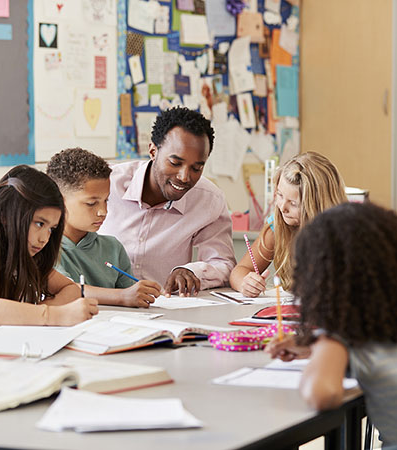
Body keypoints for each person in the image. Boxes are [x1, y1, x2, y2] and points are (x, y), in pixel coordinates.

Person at [266, 202, 397, 448]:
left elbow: (322, 394)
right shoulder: (383, 317)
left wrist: (327, 343)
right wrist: (315, 346)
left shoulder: (340, 332)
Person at [98, 106, 236, 296]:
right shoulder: (106, 184)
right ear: (153, 151)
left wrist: (191, 271)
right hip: (102, 306)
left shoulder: (208, 200)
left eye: (197, 168)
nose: (185, 177)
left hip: (164, 311)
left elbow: (223, 264)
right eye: (175, 163)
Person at [0, 165, 98, 334]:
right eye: (39, 223)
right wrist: (53, 315)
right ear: (4, 216)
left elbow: (72, 289)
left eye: (51, 229)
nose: (45, 238)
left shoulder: (27, 260)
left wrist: (29, 314)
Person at [47, 148, 162, 308]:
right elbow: (66, 289)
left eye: (106, 201)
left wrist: (142, 293)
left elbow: (132, 297)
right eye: (91, 203)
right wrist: (121, 297)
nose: (103, 212)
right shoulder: (44, 247)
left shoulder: (113, 247)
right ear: (59, 200)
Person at [230, 152, 347, 297]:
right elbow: (240, 270)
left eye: (293, 203)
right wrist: (245, 283)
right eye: (279, 195)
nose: (282, 207)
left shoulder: (343, 233)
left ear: (318, 205)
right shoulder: (277, 225)